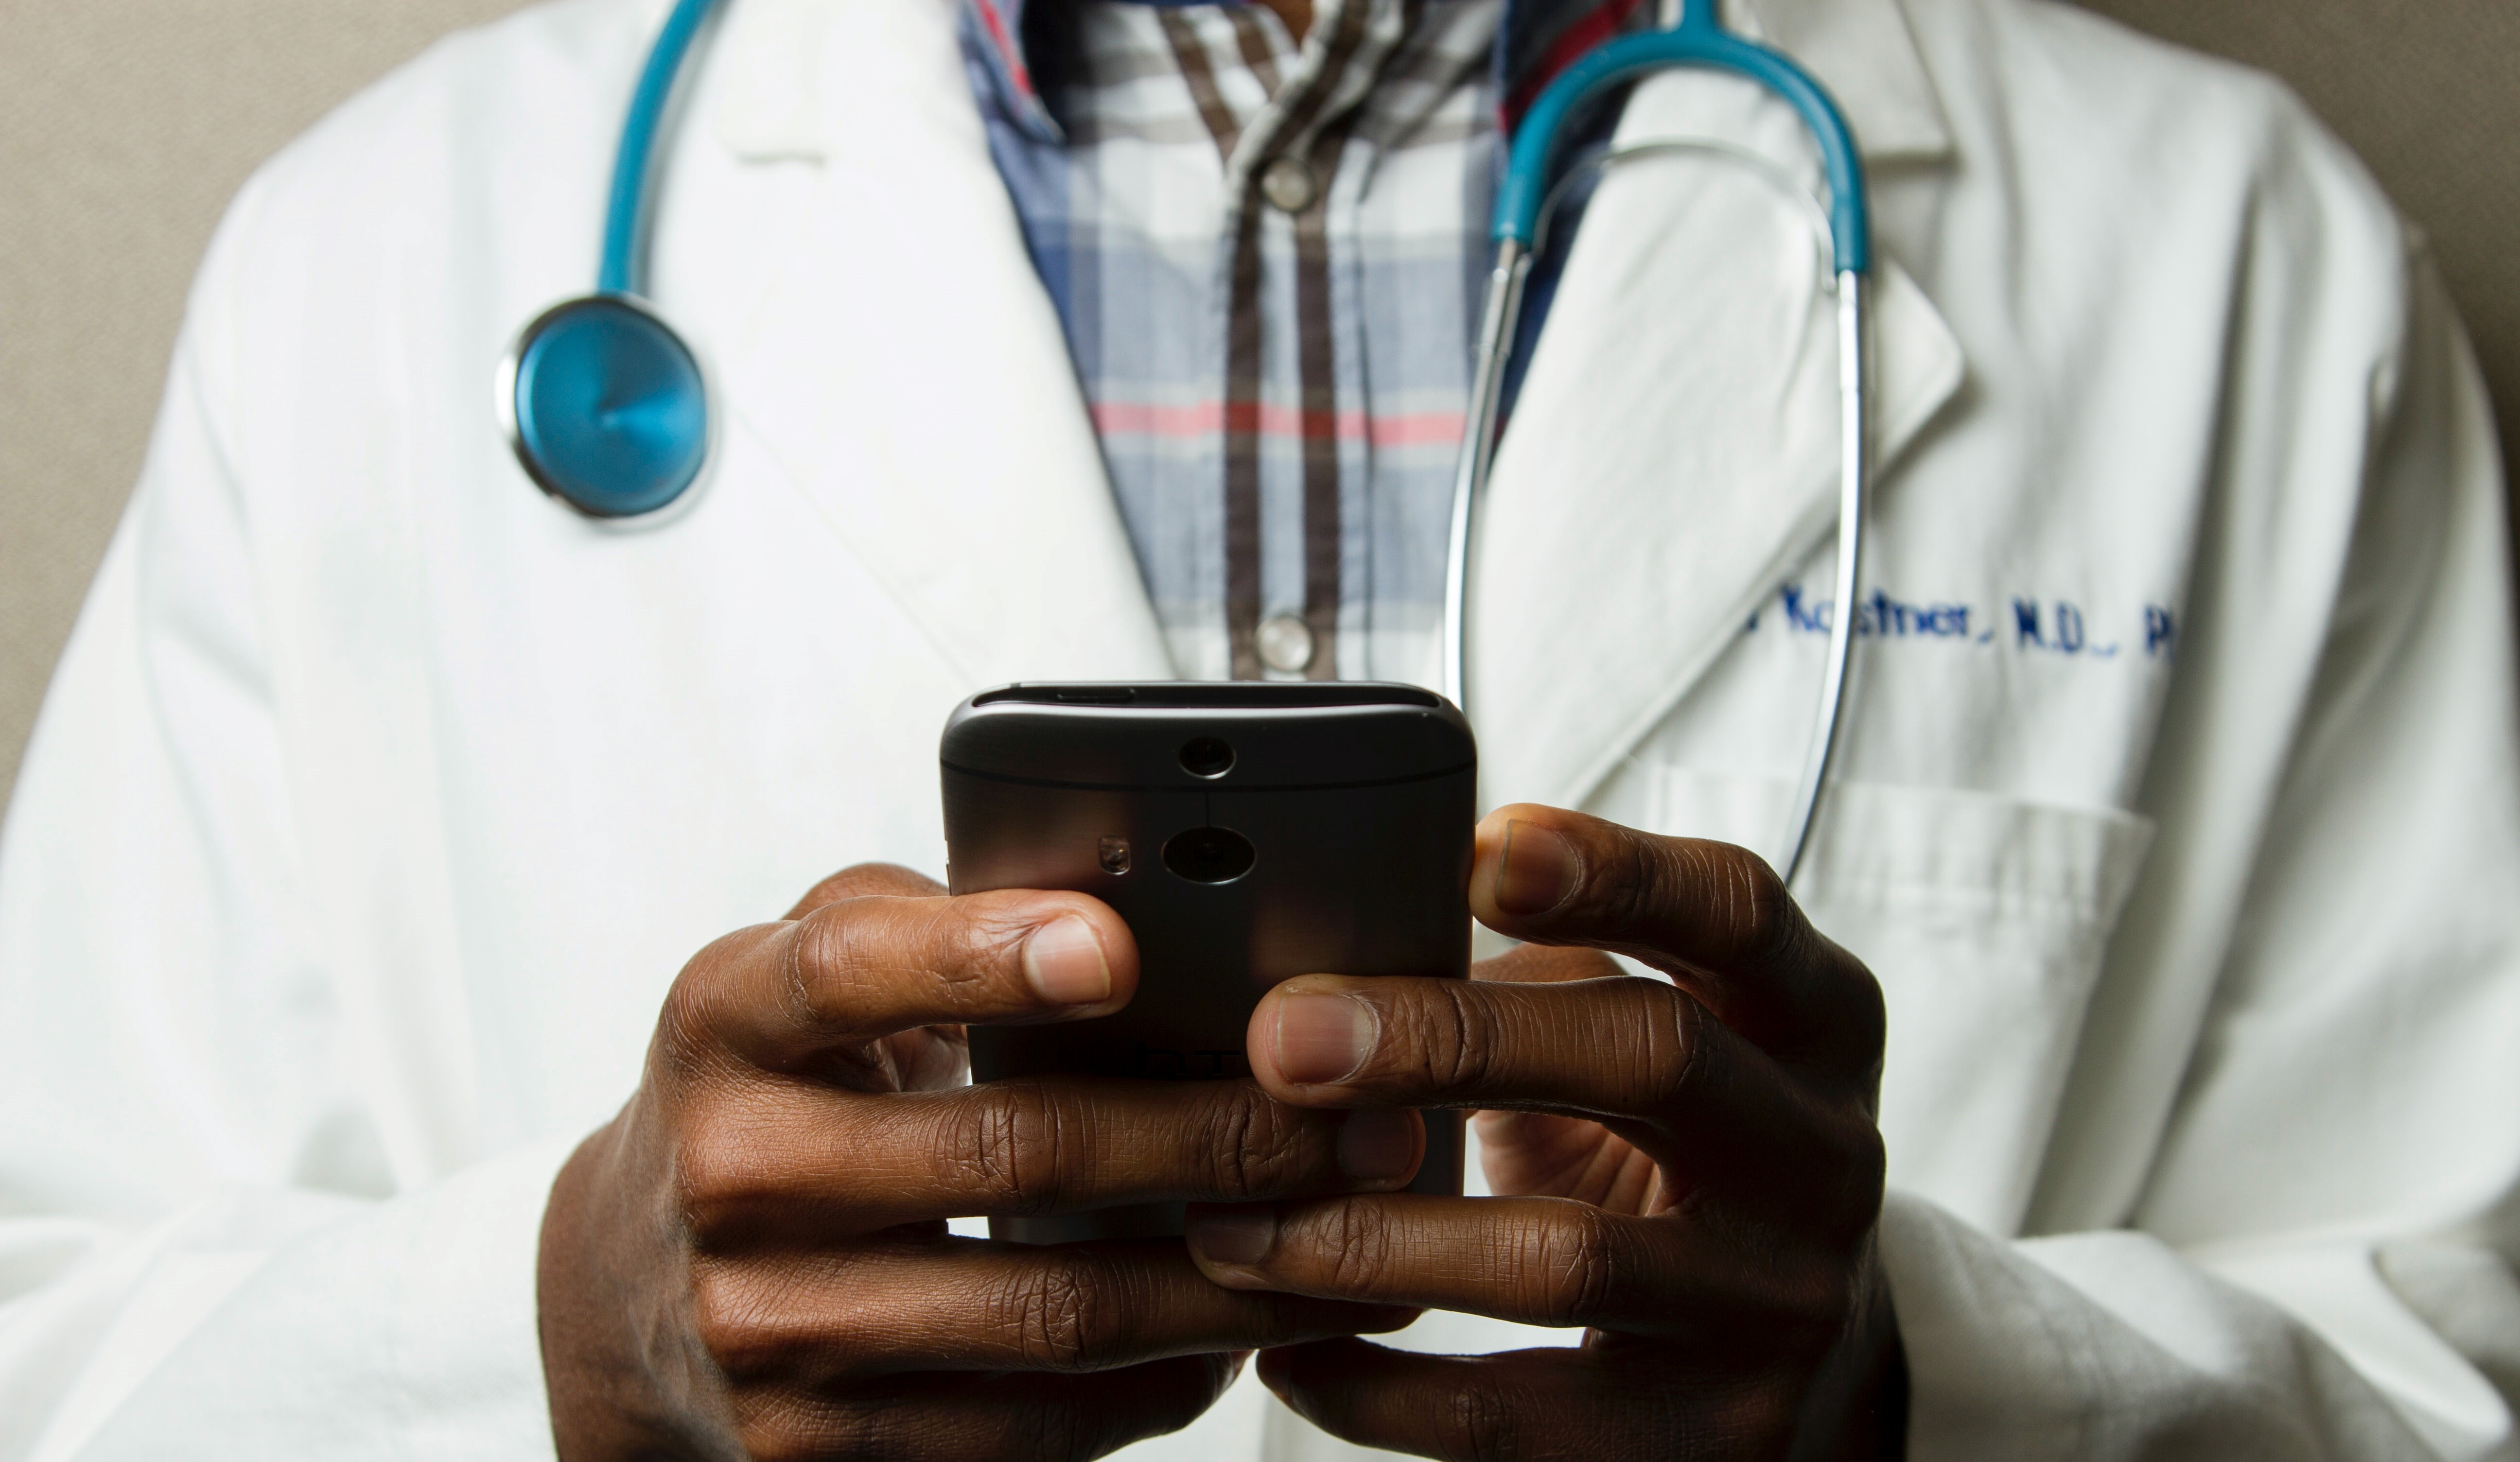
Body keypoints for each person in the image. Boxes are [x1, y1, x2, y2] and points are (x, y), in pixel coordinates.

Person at [0, 0, 2515, 1454]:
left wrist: (1913, 1393)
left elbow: (2454, 1366)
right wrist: (559, 1337)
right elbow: (55, 1350)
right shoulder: (374, 266)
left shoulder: (2243, 270)